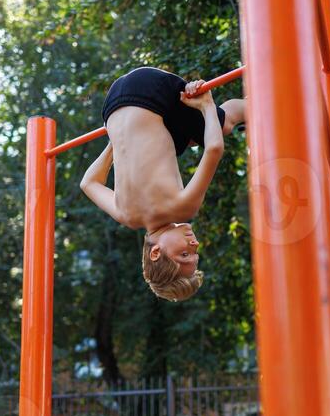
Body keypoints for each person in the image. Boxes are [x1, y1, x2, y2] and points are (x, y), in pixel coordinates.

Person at [80, 66, 246, 301]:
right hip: (112, 105)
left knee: (223, 124)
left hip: (152, 90)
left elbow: (214, 149)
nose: (194, 243)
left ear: (156, 252)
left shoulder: (183, 209)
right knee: (188, 139)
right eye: (195, 252)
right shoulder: (125, 215)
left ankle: (262, 101)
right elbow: (88, 183)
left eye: (184, 254)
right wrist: (114, 140)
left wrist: (206, 105)